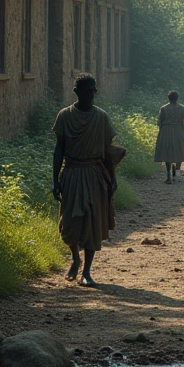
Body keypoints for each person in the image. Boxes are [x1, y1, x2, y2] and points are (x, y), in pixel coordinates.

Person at [52, 73, 121, 288]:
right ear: (77, 92)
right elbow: (59, 149)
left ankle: (87, 271)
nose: (91, 95)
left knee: (92, 222)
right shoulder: (64, 116)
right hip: (71, 173)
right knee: (70, 222)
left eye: (94, 91)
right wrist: (55, 179)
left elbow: (108, 152)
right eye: (87, 91)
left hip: (94, 174)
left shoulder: (101, 117)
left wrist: (112, 179)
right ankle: (75, 257)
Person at [154, 90, 184, 183]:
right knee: (179, 151)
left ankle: (168, 176)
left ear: (168, 98)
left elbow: (160, 122)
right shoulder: (182, 108)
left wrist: (161, 134)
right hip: (178, 131)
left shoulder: (164, 108)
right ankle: (176, 174)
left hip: (166, 131)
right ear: (177, 98)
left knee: (167, 153)